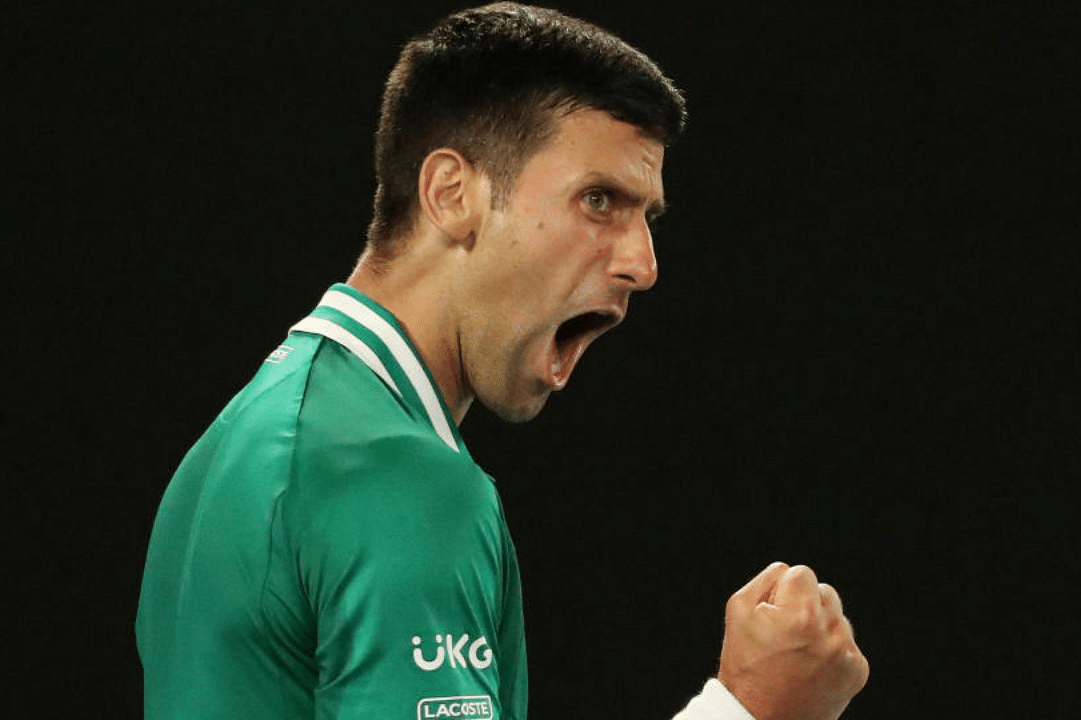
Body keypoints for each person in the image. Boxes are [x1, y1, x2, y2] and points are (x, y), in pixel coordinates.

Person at [135, 4, 869, 719]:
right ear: (452, 194)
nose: (644, 264)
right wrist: (750, 711)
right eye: (599, 199)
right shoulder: (397, 479)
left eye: (647, 217)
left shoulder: (245, 435)